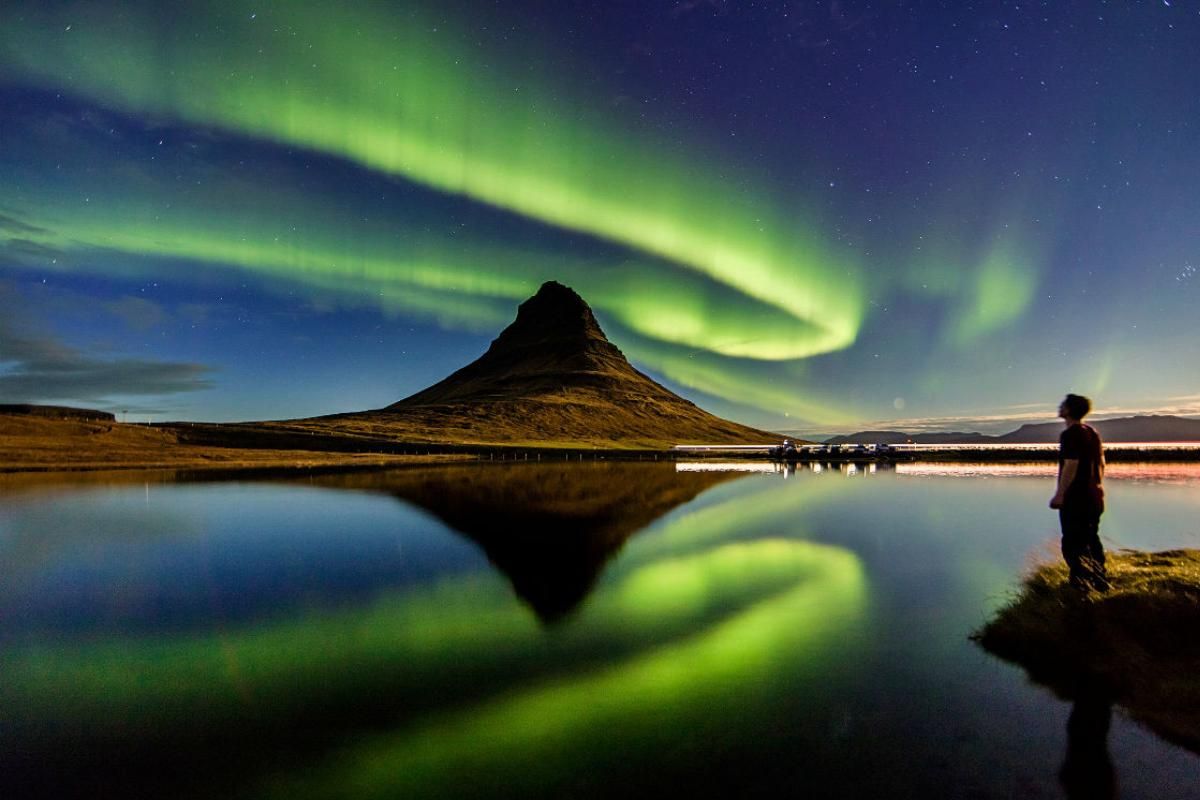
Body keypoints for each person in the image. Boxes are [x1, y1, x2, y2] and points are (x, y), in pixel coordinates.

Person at [1049, 394, 1109, 591]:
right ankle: (1099, 580)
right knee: (1091, 538)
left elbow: (1071, 465)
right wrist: (1097, 486)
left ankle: (1080, 585)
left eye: (1063, 404)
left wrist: (1060, 494)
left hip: (1076, 499)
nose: (1060, 406)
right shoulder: (1092, 432)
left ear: (1069, 409)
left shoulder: (1070, 434)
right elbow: (1101, 463)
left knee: (1073, 542)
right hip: (1094, 497)